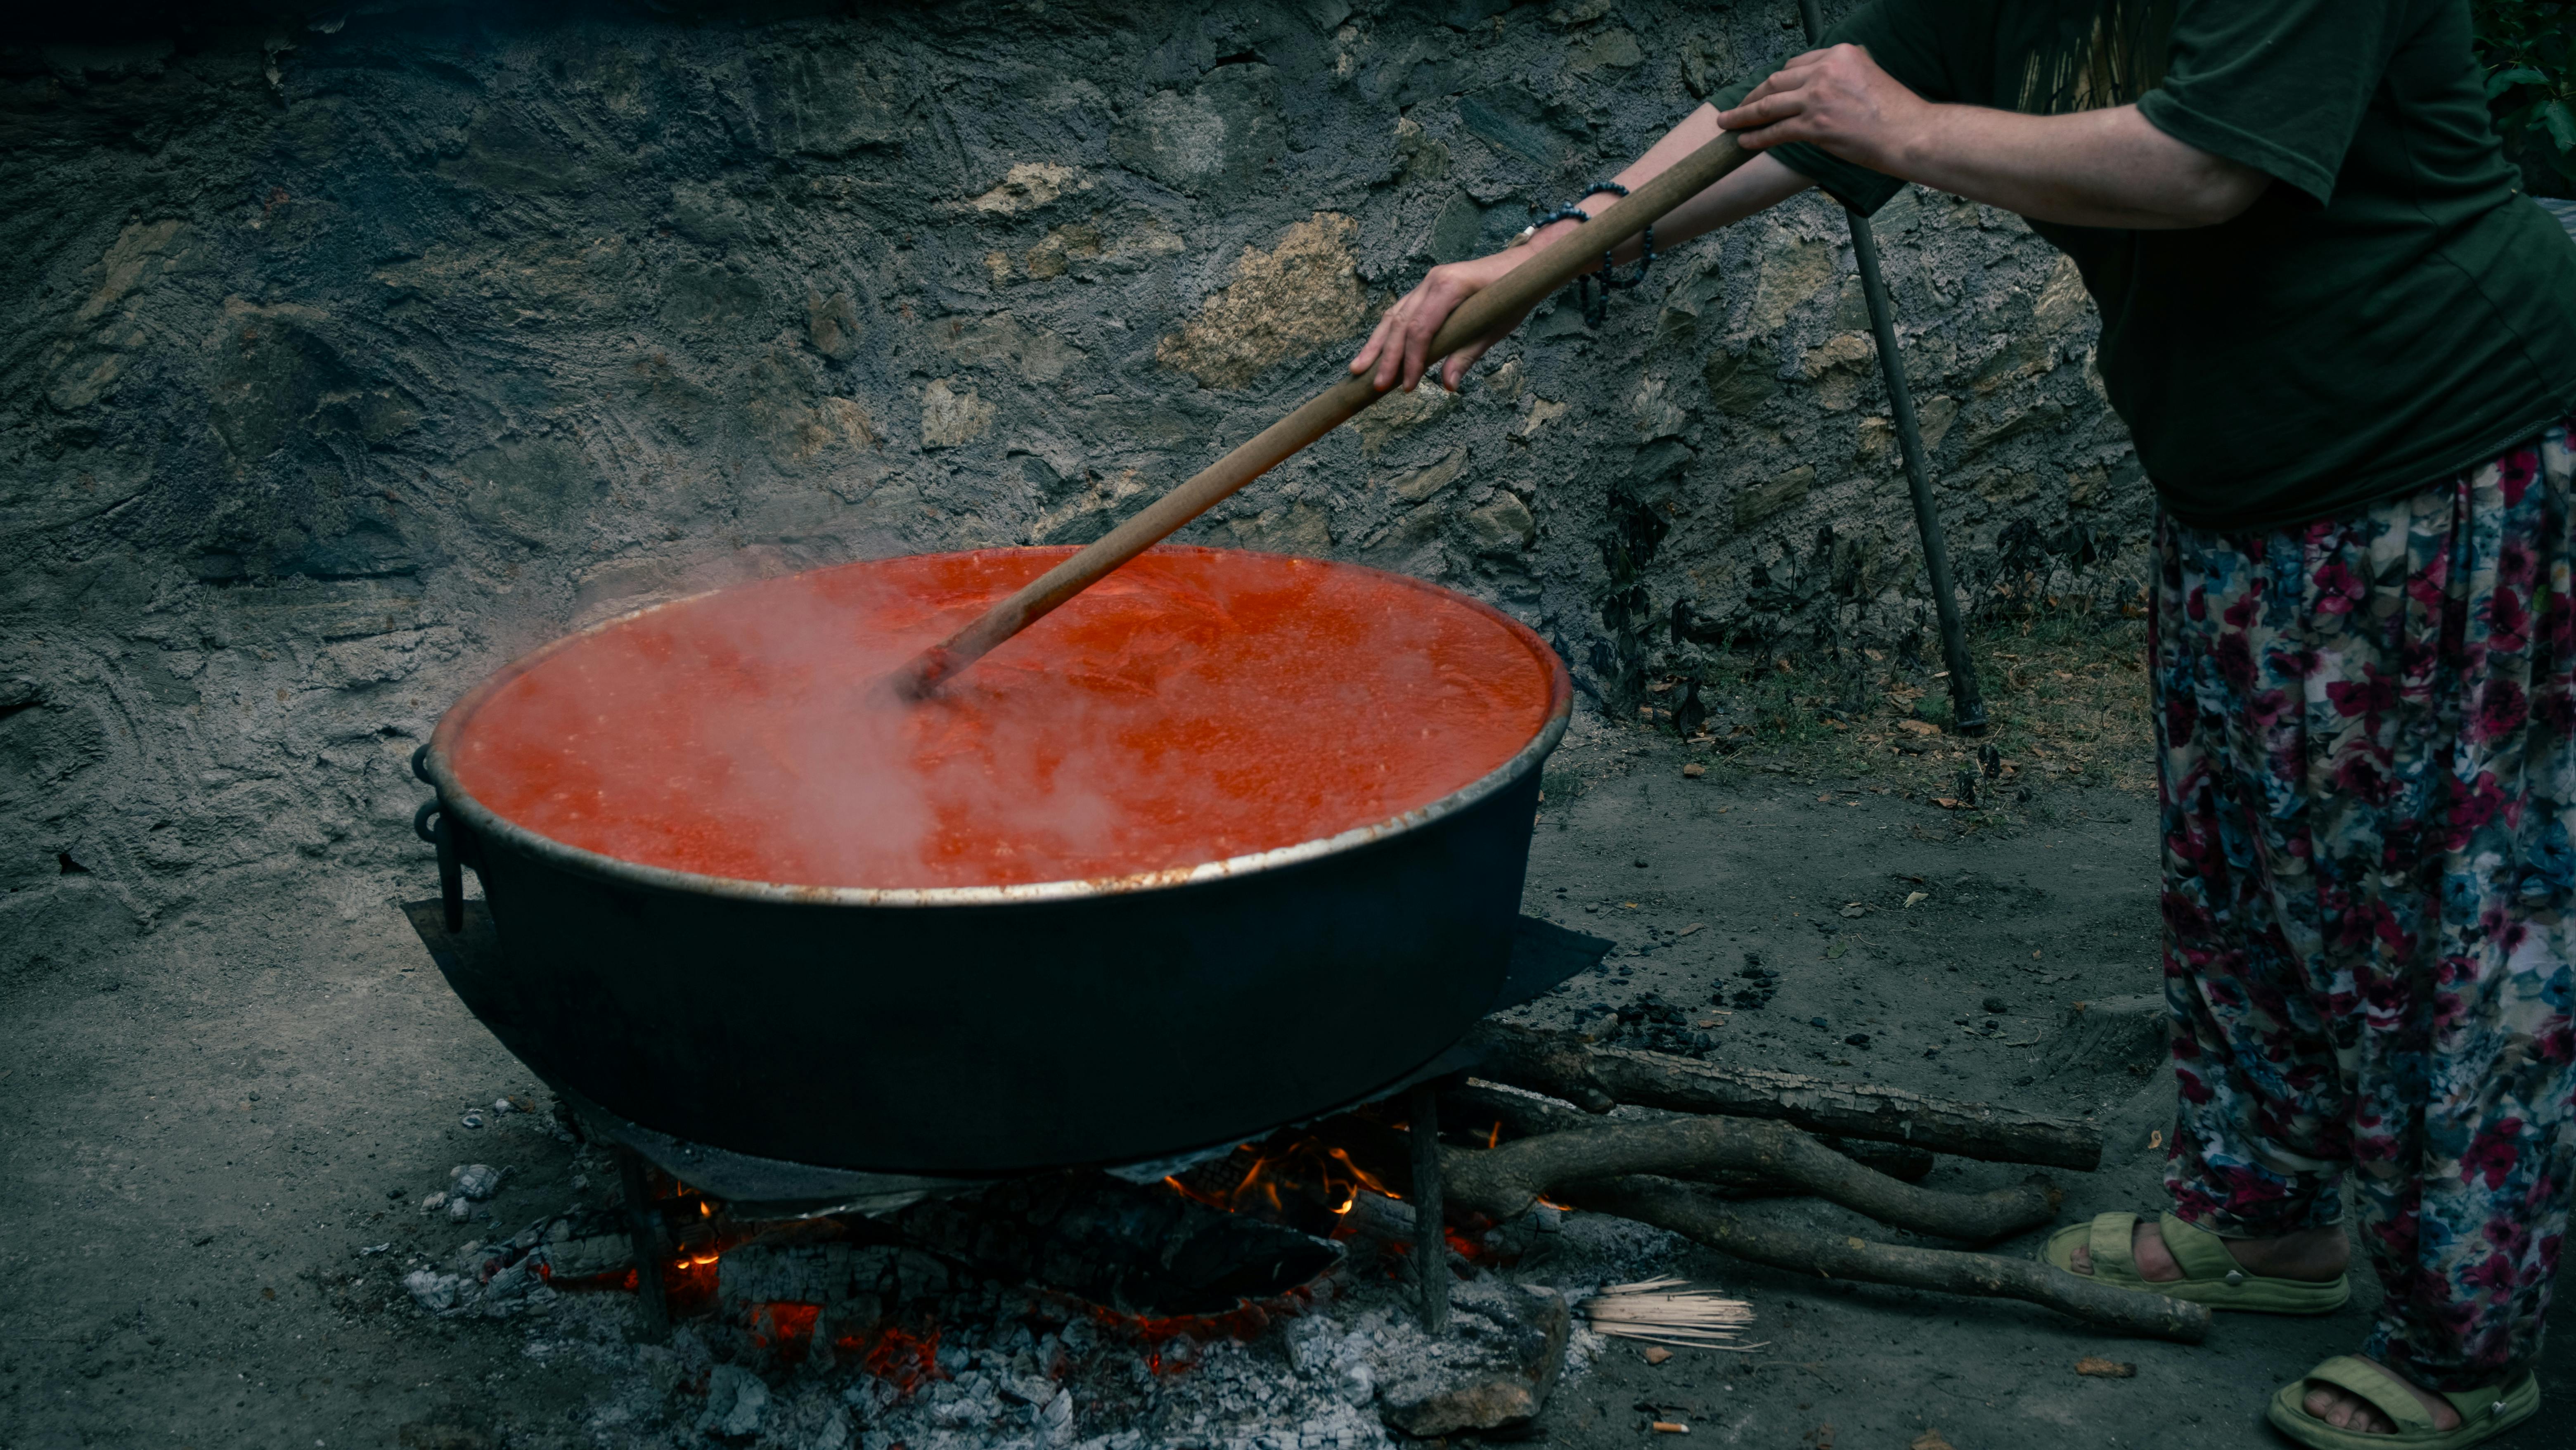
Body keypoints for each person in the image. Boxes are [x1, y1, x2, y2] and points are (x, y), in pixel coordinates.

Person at [1352, 2, 2576, 1443]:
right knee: (2245, 888)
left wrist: (1909, 132)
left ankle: (2466, 1339)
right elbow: (1793, 114)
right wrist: (1547, 256)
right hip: (2241, 495)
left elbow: (2199, 167)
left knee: (2439, 921)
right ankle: (2265, 1225)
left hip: (2445, 468)